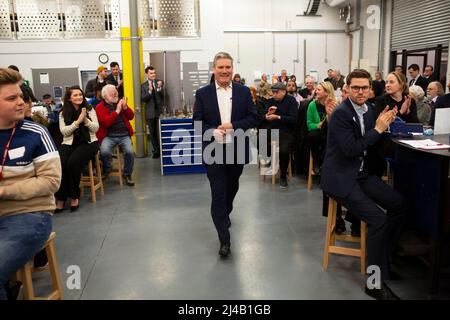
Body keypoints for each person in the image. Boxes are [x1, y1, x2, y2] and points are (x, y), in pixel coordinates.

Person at [321, 69, 407, 300]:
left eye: (365, 88)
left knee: (399, 205)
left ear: (370, 89)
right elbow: (352, 150)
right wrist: (378, 129)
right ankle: (374, 281)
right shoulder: (341, 114)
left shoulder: (369, 110)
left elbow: (373, 143)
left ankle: (383, 261)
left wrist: (391, 129)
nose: (361, 92)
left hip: (362, 175)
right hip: (341, 177)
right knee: (378, 219)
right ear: (347, 88)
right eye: (356, 87)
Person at [0, 68, 61, 300]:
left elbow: (51, 181)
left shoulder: (35, 132)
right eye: (11, 98)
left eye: (21, 97)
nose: (22, 103)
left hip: (28, 215)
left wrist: (5, 191)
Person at [193, 52, 257, 258]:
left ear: (232, 69)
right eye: (220, 67)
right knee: (218, 193)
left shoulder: (244, 92)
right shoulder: (202, 94)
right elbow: (197, 123)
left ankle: (224, 213)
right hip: (213, 151)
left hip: (237, 149)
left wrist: (233, 126)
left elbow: (253, 118)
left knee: (232, 187)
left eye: (227, 67)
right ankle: (224, 239)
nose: (224, 71)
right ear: (214, 69)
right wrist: (212, 131)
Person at [55, 86, 99, 213]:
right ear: (69, 98)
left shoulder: (90, 109)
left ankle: (74, 197)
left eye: (80, 94)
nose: (79, 97)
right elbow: (64, 132)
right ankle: (61, 197)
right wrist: (77, 122)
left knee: (72, 162)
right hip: (69, 142)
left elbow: (96, 128)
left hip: (88, 142)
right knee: (61, 163)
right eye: (75, 95)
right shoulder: (63, 113)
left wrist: (85, 120)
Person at [96, 85, 135, 186]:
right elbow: (106, 122)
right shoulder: (99, 107)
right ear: (105, 96)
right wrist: (117, 111)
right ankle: (107, 169)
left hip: (124, 134)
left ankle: (127, 173)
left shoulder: (120, 103)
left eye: (116, 92)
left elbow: (131, 117)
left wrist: (125, 108)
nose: (116, 94)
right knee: (104, 151)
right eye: (112, 93)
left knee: (130, 152)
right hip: (108, 136)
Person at [264, 82, 298, 188]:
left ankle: (283, 175)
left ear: (283, 92)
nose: (274, 95)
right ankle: (268, 159)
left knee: (284, 150)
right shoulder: (270, 101)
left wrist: (278, 117)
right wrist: (267, 114)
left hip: (286, 131)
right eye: (273, 92)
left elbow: (294, 119)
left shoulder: (291, 101)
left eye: (276, 92)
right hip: (272, 130)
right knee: (261, 138)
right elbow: (262, 116)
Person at [306, 81, 336, 174]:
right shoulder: (312, 105)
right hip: (317, 134)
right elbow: (309, 124)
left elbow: (336, 124)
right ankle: (316, 161)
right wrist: (318, 125)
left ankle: (325, 165)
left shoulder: (334, 105)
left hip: (330, 132)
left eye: (319, 90)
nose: (316, 92)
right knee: (312, 135)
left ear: (326, 92)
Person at [141, 66, 163, 159]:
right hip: (150, 112)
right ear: (147, 74)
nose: (153, 75)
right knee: (153, 133)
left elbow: (163, 96)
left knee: (160, 132)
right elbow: (143, 99)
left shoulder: (160, 82)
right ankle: (156, 151)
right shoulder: (143, 85)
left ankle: (162, 150)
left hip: (160, 112)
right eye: (151, 73)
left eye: (154, 73)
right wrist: (150, 90)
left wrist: (158, 88)